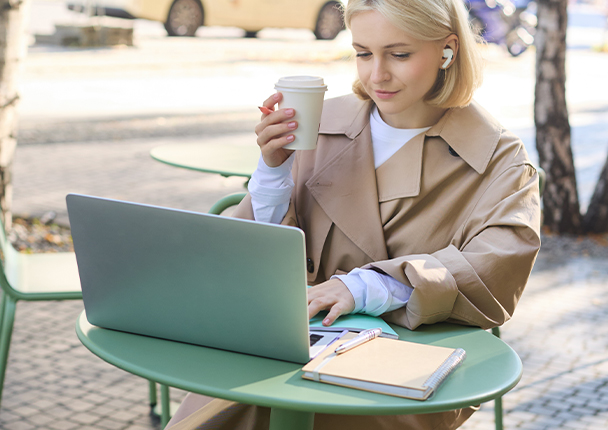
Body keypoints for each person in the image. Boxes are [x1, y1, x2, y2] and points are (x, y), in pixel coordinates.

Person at [166, 0, 541, 428]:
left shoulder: (496, 157)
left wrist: (364, 287)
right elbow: (249, 257)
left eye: (399, 54)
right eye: (363, 53)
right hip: (290, 343)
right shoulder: (321, 121)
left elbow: (497, 265)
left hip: (405, 367)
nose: (376, 74)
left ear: (447, 50)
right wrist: (272, 172)